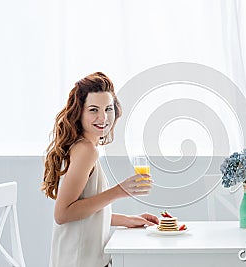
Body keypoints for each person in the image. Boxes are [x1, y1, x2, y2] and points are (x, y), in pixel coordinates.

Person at [42, 72, 159, 267]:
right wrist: (119, 191)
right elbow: (63, 214)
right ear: (79, 112)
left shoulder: (85, 147)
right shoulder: (86, 151)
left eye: (108, 109)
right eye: (94, 110)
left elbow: (84, 211)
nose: (103, 117)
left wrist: (127, 220)